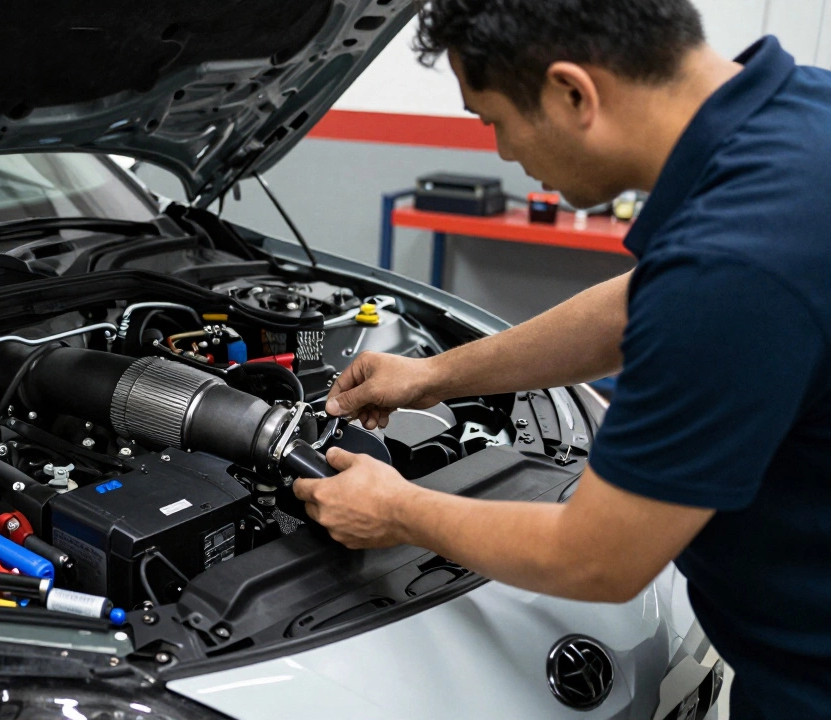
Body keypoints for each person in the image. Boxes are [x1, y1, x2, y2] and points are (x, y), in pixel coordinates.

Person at [292, 1, 831, 717]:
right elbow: (639, 302)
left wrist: (396, 509)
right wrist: (434, 374)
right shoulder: (802, 114)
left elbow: (599, 558)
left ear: (572, 92)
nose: (502, 151)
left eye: (493, 120)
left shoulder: (733, 262)